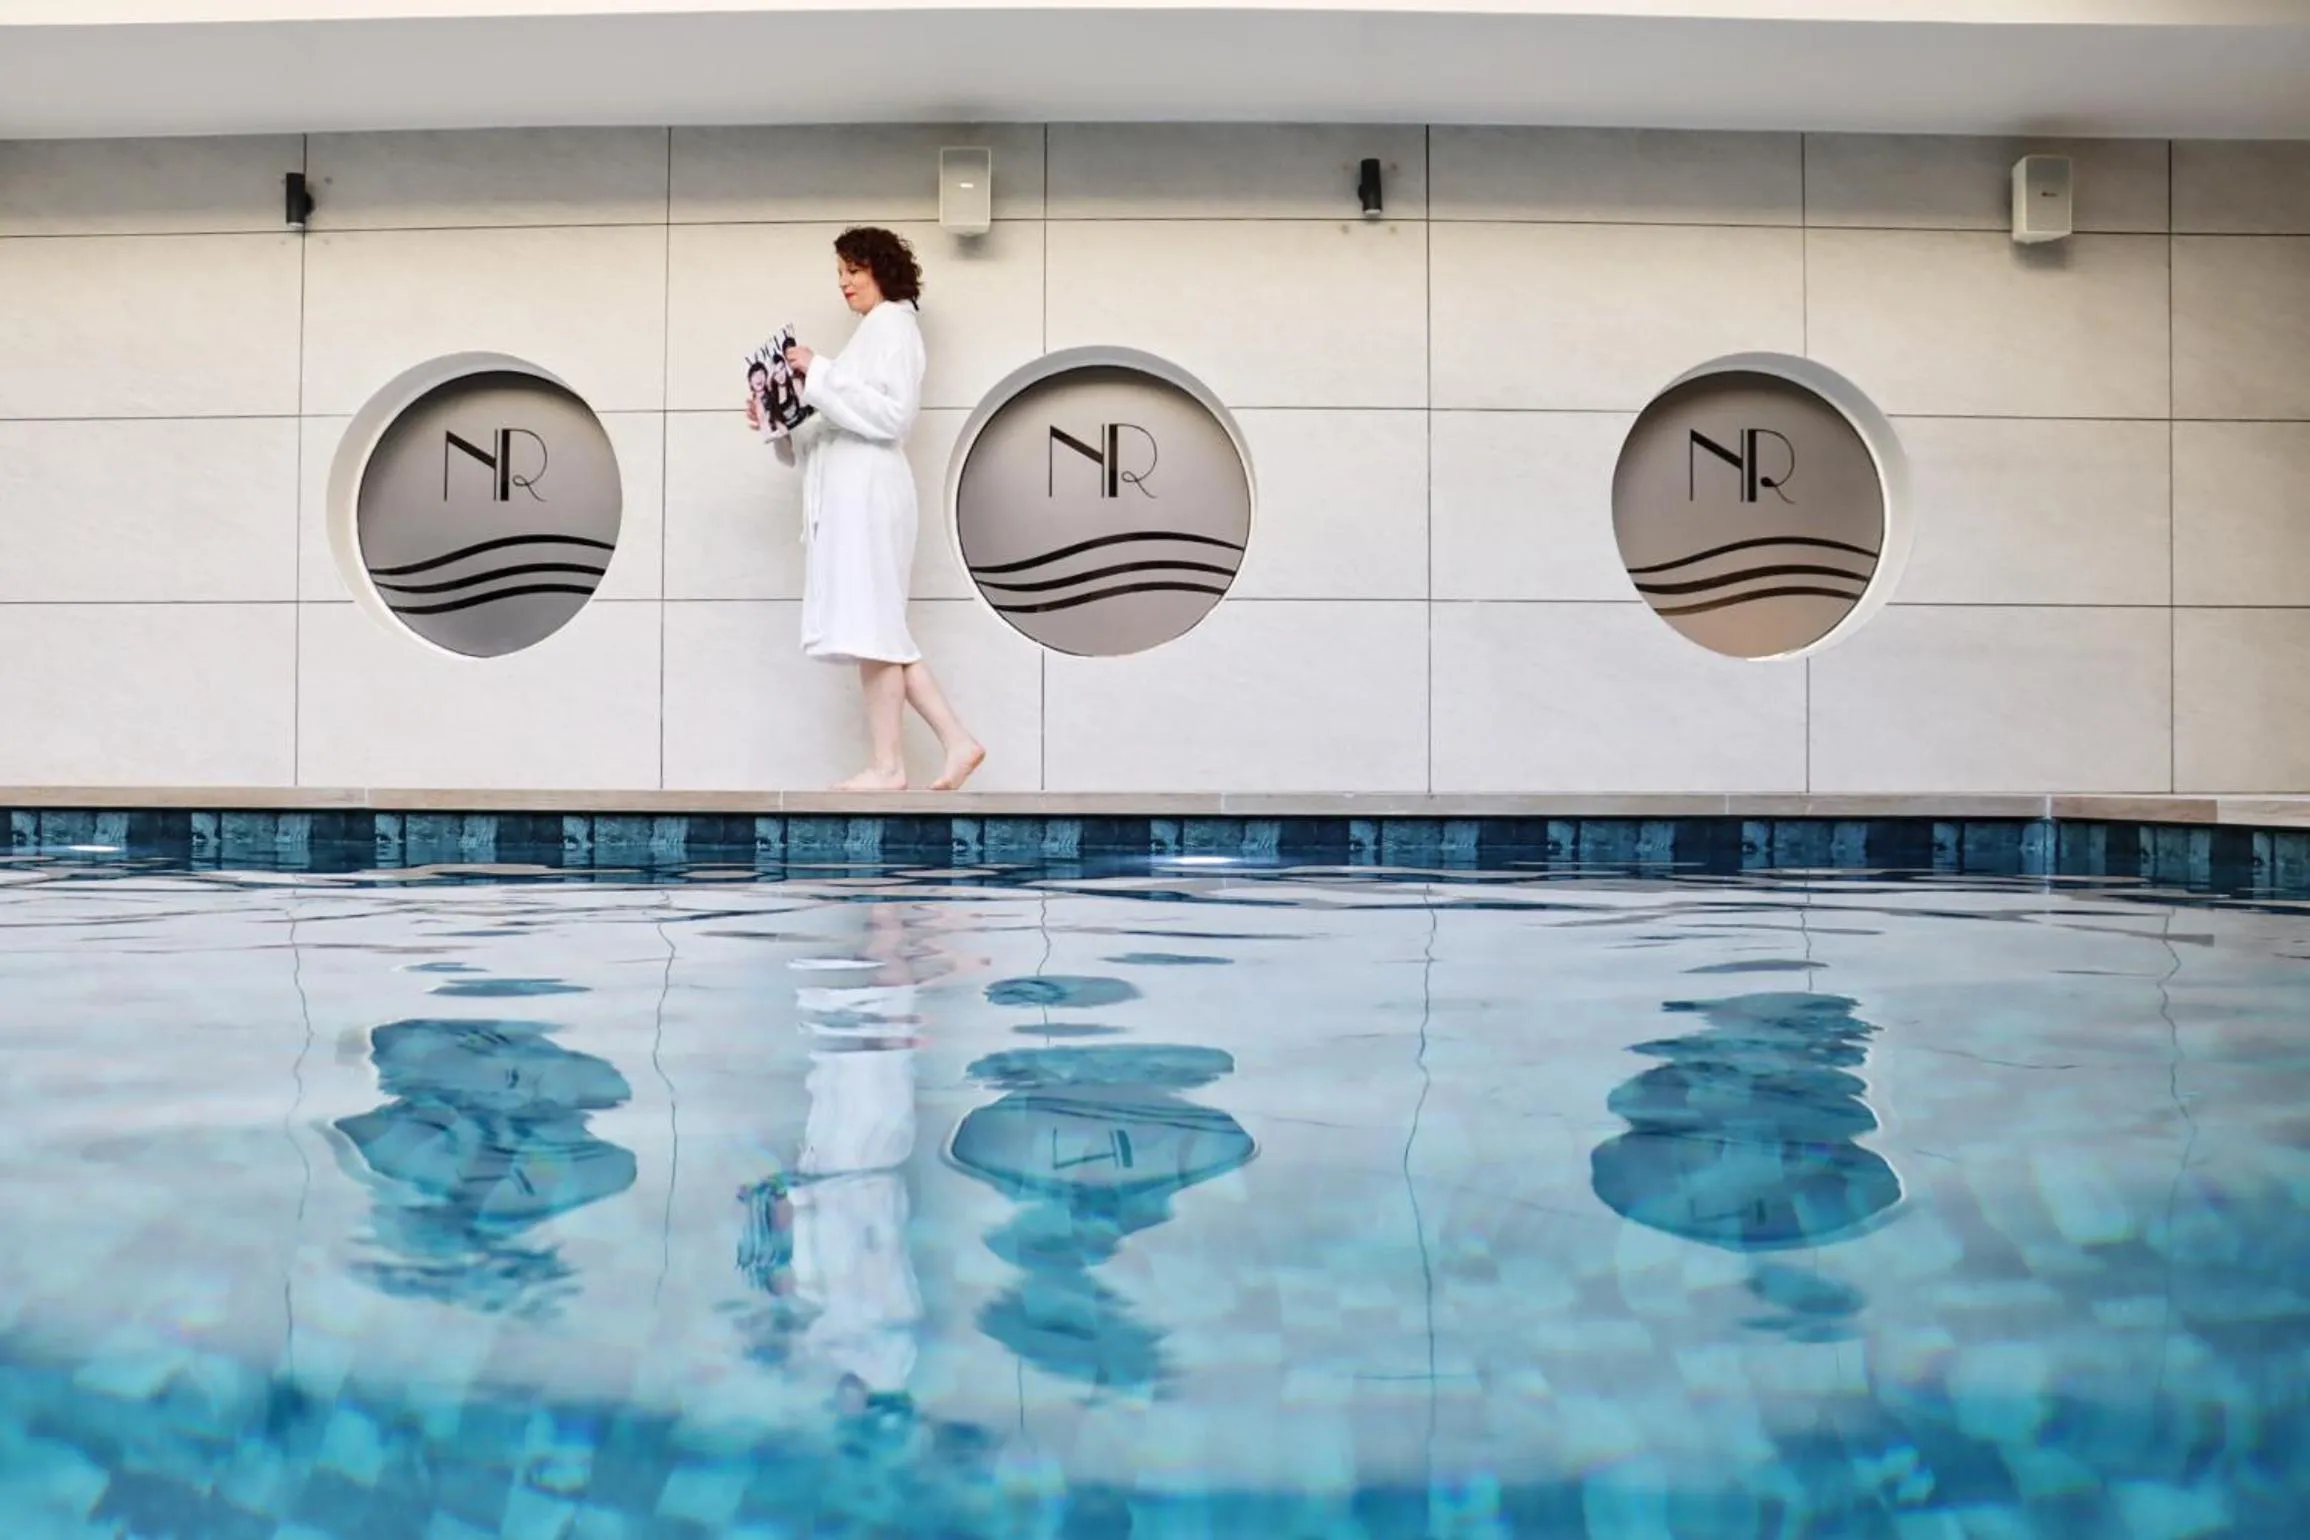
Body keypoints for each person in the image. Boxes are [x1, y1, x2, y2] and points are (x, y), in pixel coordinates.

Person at [752, 227, 985, 792]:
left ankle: (895, 764)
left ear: (882, 268)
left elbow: (892, 417)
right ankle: (948, 744)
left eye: (853, 271)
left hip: (872, 496)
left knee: (875, 630)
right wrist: (779, 419)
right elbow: (838, 424)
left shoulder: (894, 326)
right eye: (839, 274)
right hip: (852, 496)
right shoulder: (872, 335)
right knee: (872, 629)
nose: (844, 284)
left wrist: (818, 371)